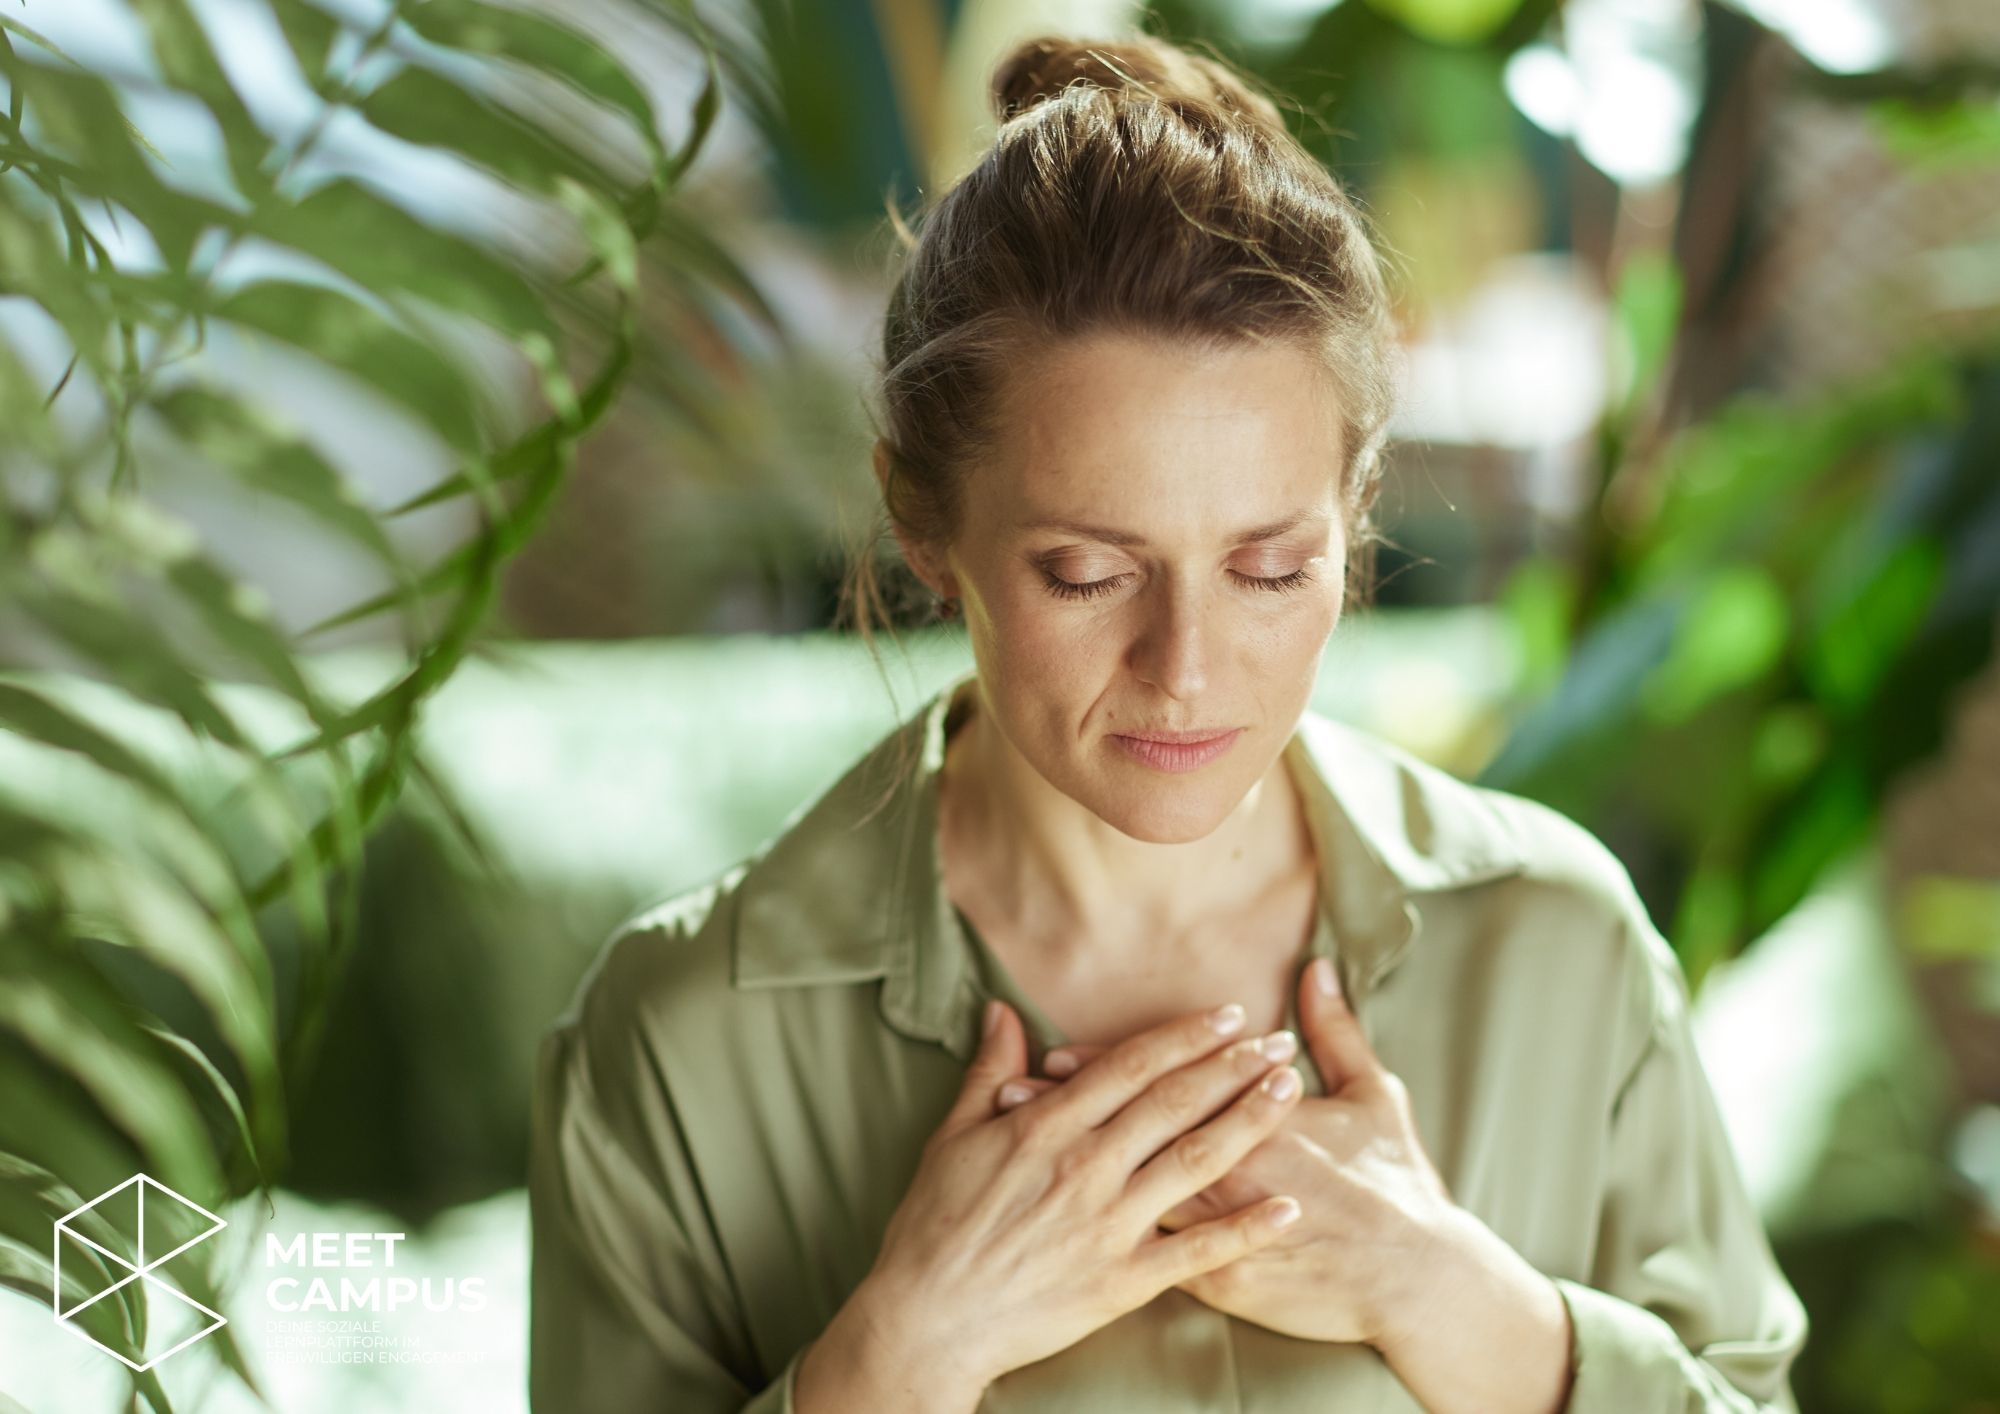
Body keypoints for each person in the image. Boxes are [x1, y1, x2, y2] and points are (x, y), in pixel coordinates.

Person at [526, 30, 1810, 1414]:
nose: (1187, 668)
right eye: (1088, 572)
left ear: (1355, 508)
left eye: (1271, 569)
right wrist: (895, 1360)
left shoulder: (1559, 945)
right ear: (922, 520)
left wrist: (1468, 1308)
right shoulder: (673, 1044)